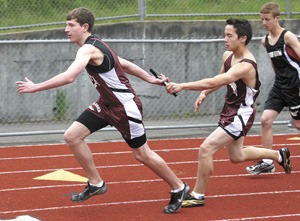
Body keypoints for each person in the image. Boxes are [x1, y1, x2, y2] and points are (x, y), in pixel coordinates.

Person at [16, 7, 189, 214]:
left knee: (142, 154)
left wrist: (36, 87)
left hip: (125, 108)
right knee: (72, 136)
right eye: (66, 25)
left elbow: (70, 76)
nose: (66, 29)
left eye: (71, 25)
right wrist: (151, 79)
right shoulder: (97, 46)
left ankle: (179, 187)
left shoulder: (88, 49)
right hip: (105, 104)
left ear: (84, 27)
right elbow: (124, 64)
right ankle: (96, 183)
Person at [165, 18, 292, 207]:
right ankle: (278, 155)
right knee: (236, 156)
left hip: (241, 114)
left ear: (243, 38)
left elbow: (215, 81)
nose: (225, 39)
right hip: (230, 109)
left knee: (206, 149)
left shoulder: (246, 65)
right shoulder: (227, 55)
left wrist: (182, 86)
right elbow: (218, 79)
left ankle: (197, 195)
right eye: (225, 34)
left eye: (229, 35)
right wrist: (204, 93)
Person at [246, 2, 300, 175]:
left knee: (298, 125)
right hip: (279, 87)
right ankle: (268, 161)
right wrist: (280, 81)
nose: (264, 23)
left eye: (267, 19)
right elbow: (275, 64)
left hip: (295, 86)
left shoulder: (288, 37)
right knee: (265, 120)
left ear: (277, 18)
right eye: (262, 19)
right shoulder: (265, 41)